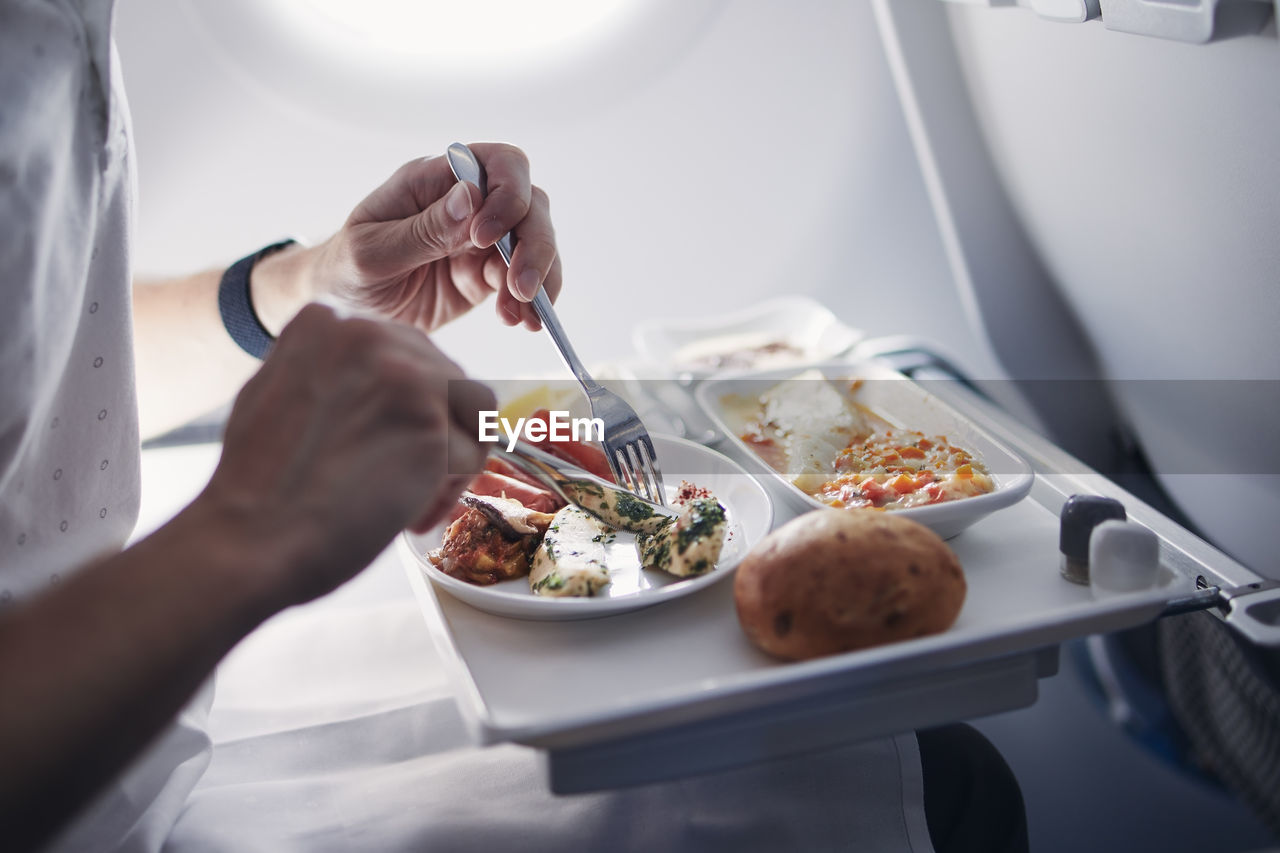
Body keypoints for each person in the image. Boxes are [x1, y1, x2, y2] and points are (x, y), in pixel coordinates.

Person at [0, 2, 1027, 851]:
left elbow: (50, 349)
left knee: (930, 749)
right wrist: (243, 535)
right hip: (76, 766)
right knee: (944, 793)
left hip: (146, 686)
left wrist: (305, 285)